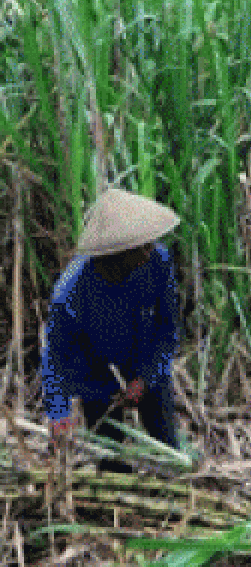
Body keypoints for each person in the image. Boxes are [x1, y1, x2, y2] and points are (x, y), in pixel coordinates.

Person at [42, 187, 182, 472]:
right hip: (96, 376)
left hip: (144, 361)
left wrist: (145, 378)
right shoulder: (69, 294)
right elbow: (56, 359)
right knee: (111, 461)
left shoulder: (157, 262)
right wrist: (59, 413)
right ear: (116, 254)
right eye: (140, 247)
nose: (149, 249)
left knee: (170, 455)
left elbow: (168, 330)